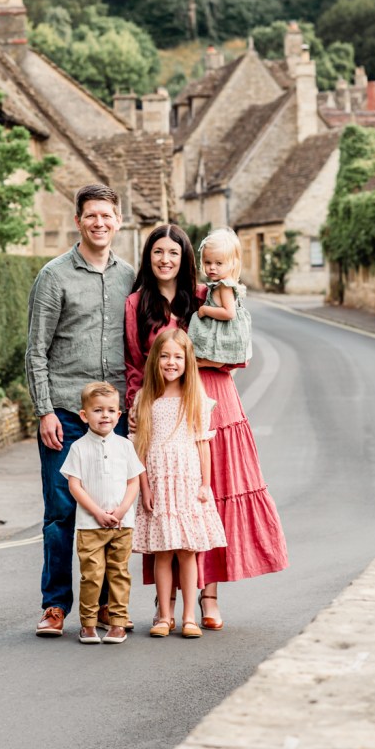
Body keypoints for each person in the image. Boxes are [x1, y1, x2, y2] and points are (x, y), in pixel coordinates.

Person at [124, 223, 288, 631]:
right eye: (158, 252)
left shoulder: (204, 295)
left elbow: (238, 349)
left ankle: (209, 596)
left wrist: (203, 364)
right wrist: (134, 406)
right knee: (167, 501)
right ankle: (169, 606)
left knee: (209, 498)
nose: (165, 260)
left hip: (214, 401)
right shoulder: (135, 304)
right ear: (148, 257)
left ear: (185, 260)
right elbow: (132, 363)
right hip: (161, 409)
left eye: (173, 253)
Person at [26, 183, 135, 637]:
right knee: (60, 515)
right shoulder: (54, 276)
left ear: (118, 220)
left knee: (111, 514)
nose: (99, 223)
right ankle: (55, 608)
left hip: (117, 418)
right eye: (91, 215)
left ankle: (109, 608)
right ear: (78, 220)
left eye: (107, 216)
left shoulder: (130, 276)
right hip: (67, 415)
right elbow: (35, 350)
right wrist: (45, 410)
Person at [132, 330, 226, 639]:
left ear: (187, 362)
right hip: (158, 483)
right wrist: (144, 488)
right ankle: (165, 616)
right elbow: (140, 449)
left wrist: (205, 484)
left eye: (177, 357)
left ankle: (189, 616)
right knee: (163, 551)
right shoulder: (146, 398)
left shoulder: (194, 398)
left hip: (187, 482)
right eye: (165, 356)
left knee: (187, 551)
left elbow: (202, 443)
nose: (171, 363)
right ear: (155, 360)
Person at [60, 382, 145, 645]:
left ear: (119, 414)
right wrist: (97, 512)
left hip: (122, 524)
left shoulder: (125, 446)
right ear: (85, 415)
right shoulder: (78, 448)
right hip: (89, 525)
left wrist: (120, 511)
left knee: (119, 573)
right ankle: (88, 624)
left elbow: (134, 481)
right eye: (98, 410)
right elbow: (75, 485)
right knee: (92, 575)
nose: (105, 415)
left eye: (110, 410)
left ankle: (118, 623)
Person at [187, 228, 253, 364]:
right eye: (207, 262)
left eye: (218, 263)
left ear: (233, 263)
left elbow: (229, 313)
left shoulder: (225, 286)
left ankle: (209, 362)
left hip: (225, 330)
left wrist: (205, 310)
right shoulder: (221, 284)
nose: (212, 267)